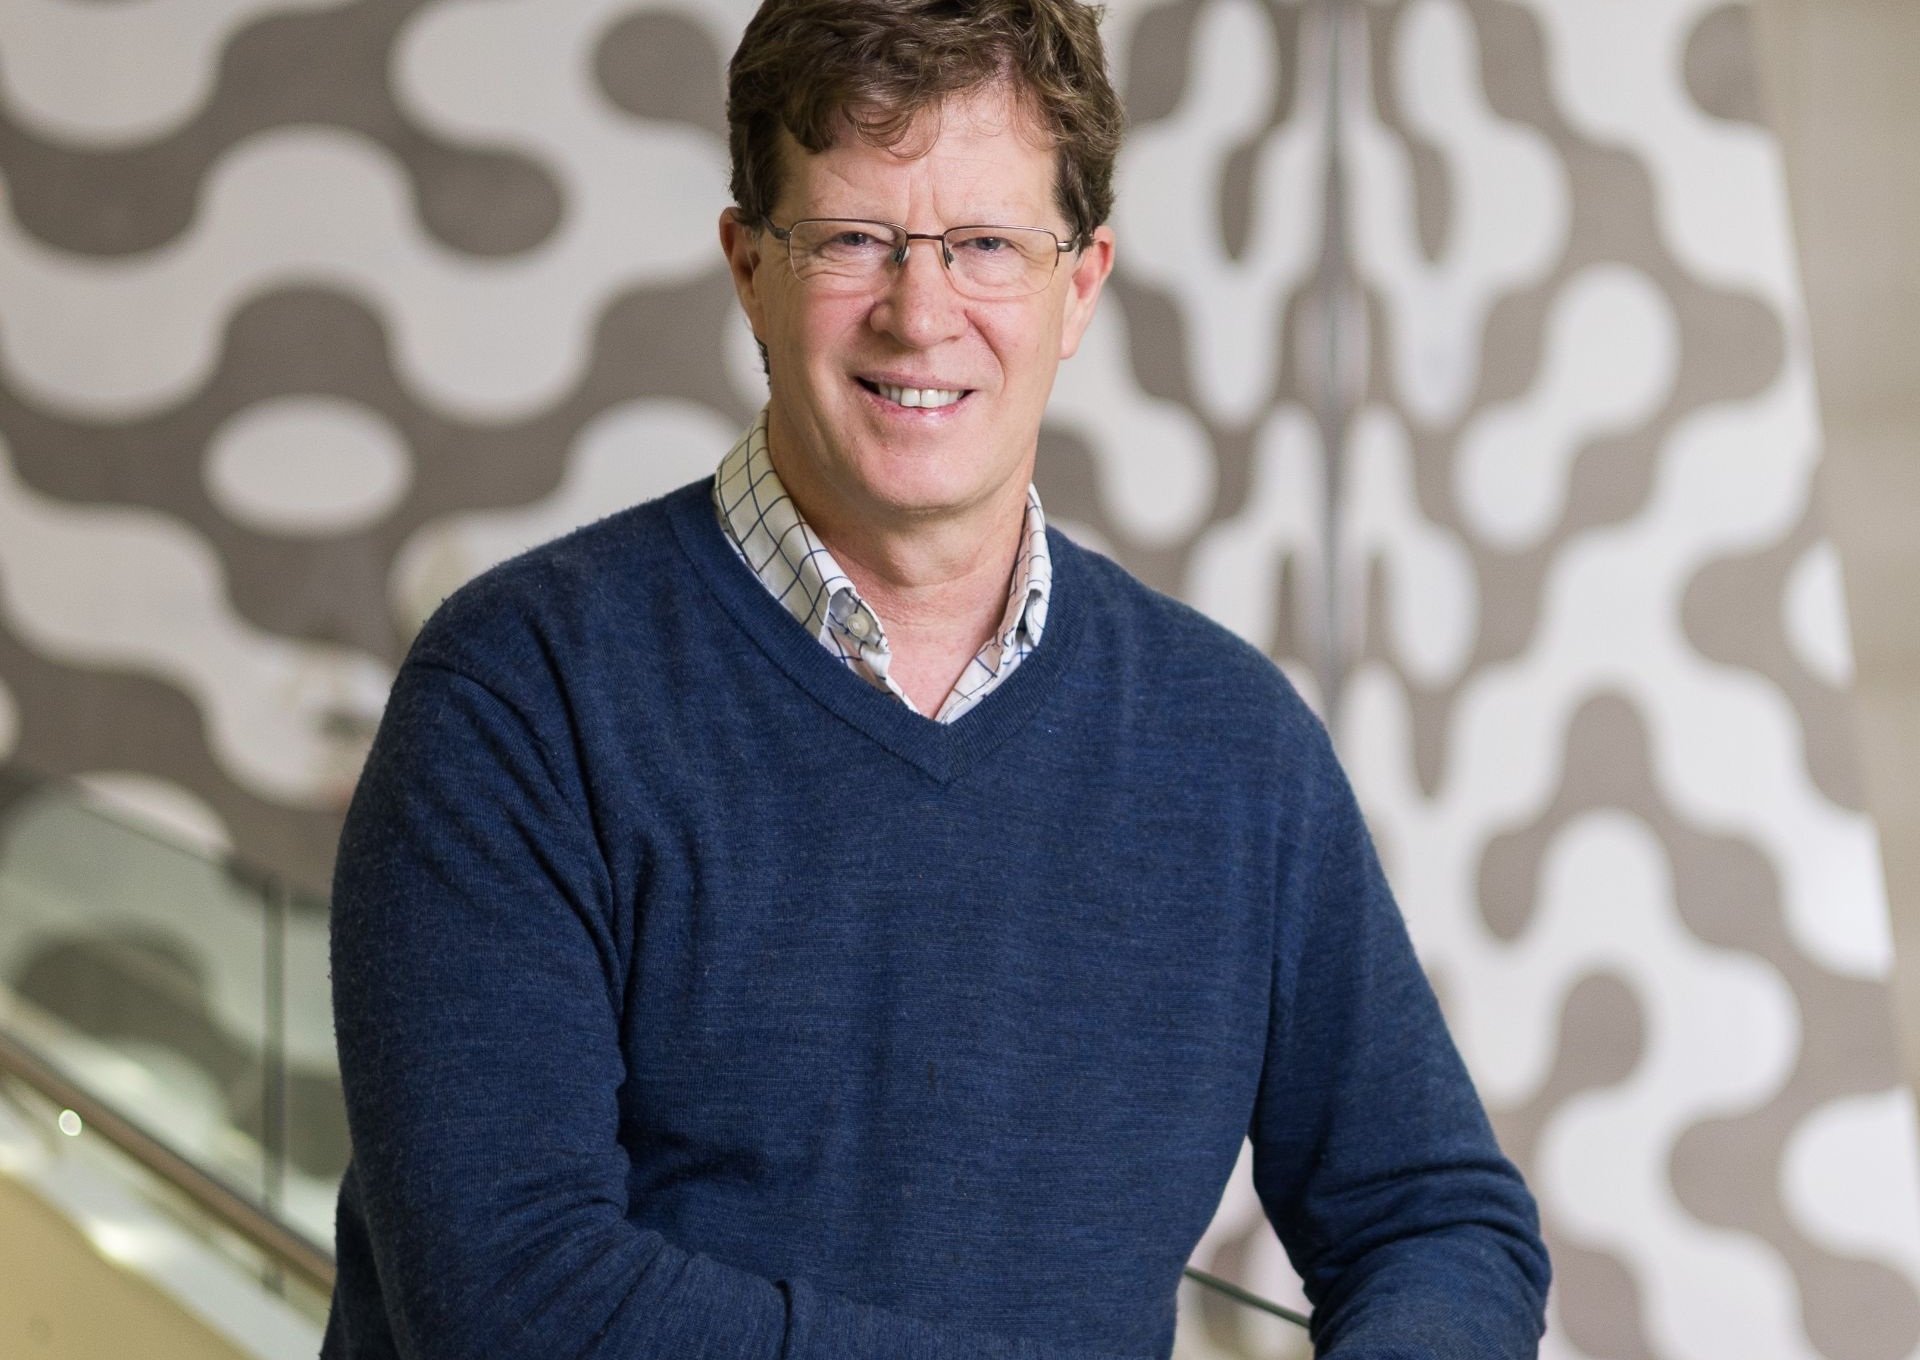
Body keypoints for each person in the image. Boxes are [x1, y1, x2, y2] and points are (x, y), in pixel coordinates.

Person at [321, 0, 1551, 1355]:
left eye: (988, 246)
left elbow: (1435, 1219)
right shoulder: (519, 696)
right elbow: (509, 1297)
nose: (922, 315)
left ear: (1079, 286)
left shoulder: (1232, 745)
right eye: (855, 239)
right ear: (749, 269)